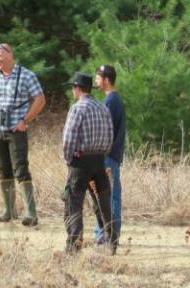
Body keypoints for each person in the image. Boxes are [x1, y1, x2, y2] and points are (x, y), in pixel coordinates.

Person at [0, 43, 46, 226]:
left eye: (0, 56)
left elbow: (40, 99)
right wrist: (1, 108)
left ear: (10, 55)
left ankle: (31, 213)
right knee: (4, 170)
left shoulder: (27, 75)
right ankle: (9, 211)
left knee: (21, 169)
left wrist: (25, 120)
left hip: (16, 131)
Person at [62, 72, 117, 254]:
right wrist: (101, 154)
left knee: (74, 202)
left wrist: (69, 159)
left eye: (73, 87)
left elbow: (68, 139)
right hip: (99, 161)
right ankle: (112, 242)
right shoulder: (103, 108)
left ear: (77, 88)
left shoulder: (77, 108)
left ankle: (74, 245)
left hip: (81, 162)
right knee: (103, 203)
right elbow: (110, 137)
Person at [93, 65, 126, 244]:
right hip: (110, 156)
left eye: (98, 77)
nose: (96, 81)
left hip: (108, 156)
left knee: (109, 195)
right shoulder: (112, 99)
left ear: (106, 80)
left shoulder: (111, 101)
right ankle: (105, 232)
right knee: (107, 195)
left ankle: (109, 234)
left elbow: (107, 132)